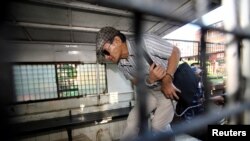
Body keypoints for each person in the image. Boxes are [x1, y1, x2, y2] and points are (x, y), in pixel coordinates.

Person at [96, 27, 181, 141]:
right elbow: (136, 82)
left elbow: (175, 52)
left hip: (167, 90)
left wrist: (167, 79)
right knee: (132, 120)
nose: (106, 57)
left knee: (158, 126)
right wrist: (149, 80)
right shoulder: (121, 65)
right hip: (151, 92)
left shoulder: (145, 42)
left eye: (106, 51)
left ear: (117, 41)